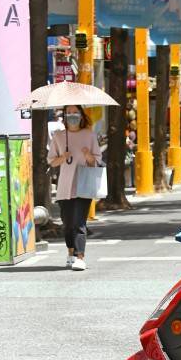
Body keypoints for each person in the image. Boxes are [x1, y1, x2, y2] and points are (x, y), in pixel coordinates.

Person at [47, 105, 102, 270]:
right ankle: (70, 253)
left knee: (79, 222)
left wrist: (88, 155)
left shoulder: (89, 135)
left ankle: (80, 257)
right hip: (65, 186)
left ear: (81, 115)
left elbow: (96, 161)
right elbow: (52, 161)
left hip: (84, 184)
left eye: (75, 112)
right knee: (68, 223)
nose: (72, 115)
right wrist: (63, 157)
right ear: (64, 115)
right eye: (69, 113)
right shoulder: (58, 136)